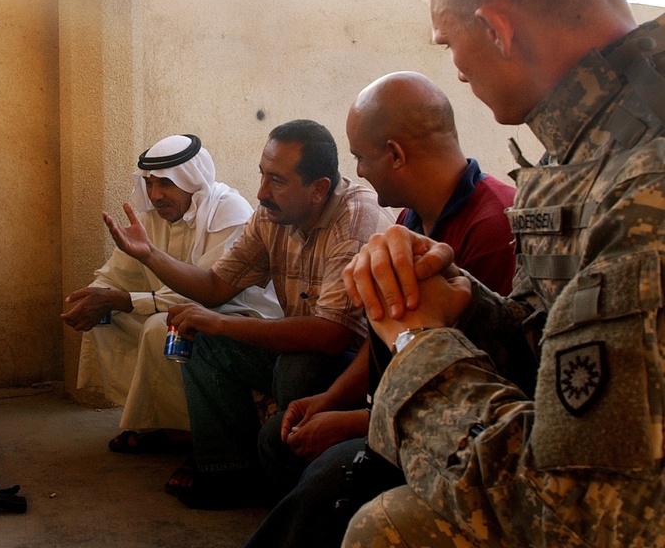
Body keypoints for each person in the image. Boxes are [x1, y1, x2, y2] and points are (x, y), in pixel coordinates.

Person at [341, 0, 665, 545]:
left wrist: (415, 342)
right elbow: (560, 356)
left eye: (450, 39)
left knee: (387, 530)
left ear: (497, 28)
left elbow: (573, 518)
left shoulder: (642, 187)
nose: (455, 68)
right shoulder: (587, 147)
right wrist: (467, 305)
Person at [247, 70, 517, 547]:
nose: (360, 173)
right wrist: (327, 402)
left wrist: (351, 423)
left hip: (463, 431)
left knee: (334, 473)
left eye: (360, 157)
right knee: (278, 439)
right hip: (395, 404)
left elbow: (478, 393)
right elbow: (385, 345)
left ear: (394, 154)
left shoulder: (492, 227)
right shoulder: (413, 219)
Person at [104, 119, 394, 509]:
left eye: (276, 180)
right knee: (200, 337)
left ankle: (298, 481)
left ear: (319, 189)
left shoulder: (356, 219)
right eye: (262, 175)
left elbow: (331, 335)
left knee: (298, 367)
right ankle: (228, 473)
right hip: (302, 348)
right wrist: (150, 256)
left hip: (355, 368)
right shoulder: (271, 215)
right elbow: (215, 286)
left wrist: (223, 322)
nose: (261, 192)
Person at [64, 134, 281, 453]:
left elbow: (210, 290)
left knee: (163, 328)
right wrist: (93, 298)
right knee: (104, 316)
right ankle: (154, 420)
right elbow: (116, 275)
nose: (155, 195)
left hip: (238, 317)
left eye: (165, 184)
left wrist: (126, 300)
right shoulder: (150, 217)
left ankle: (191, 435)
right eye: (150, 184)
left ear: (191, 180)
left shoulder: (228, 211)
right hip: (173, 309)